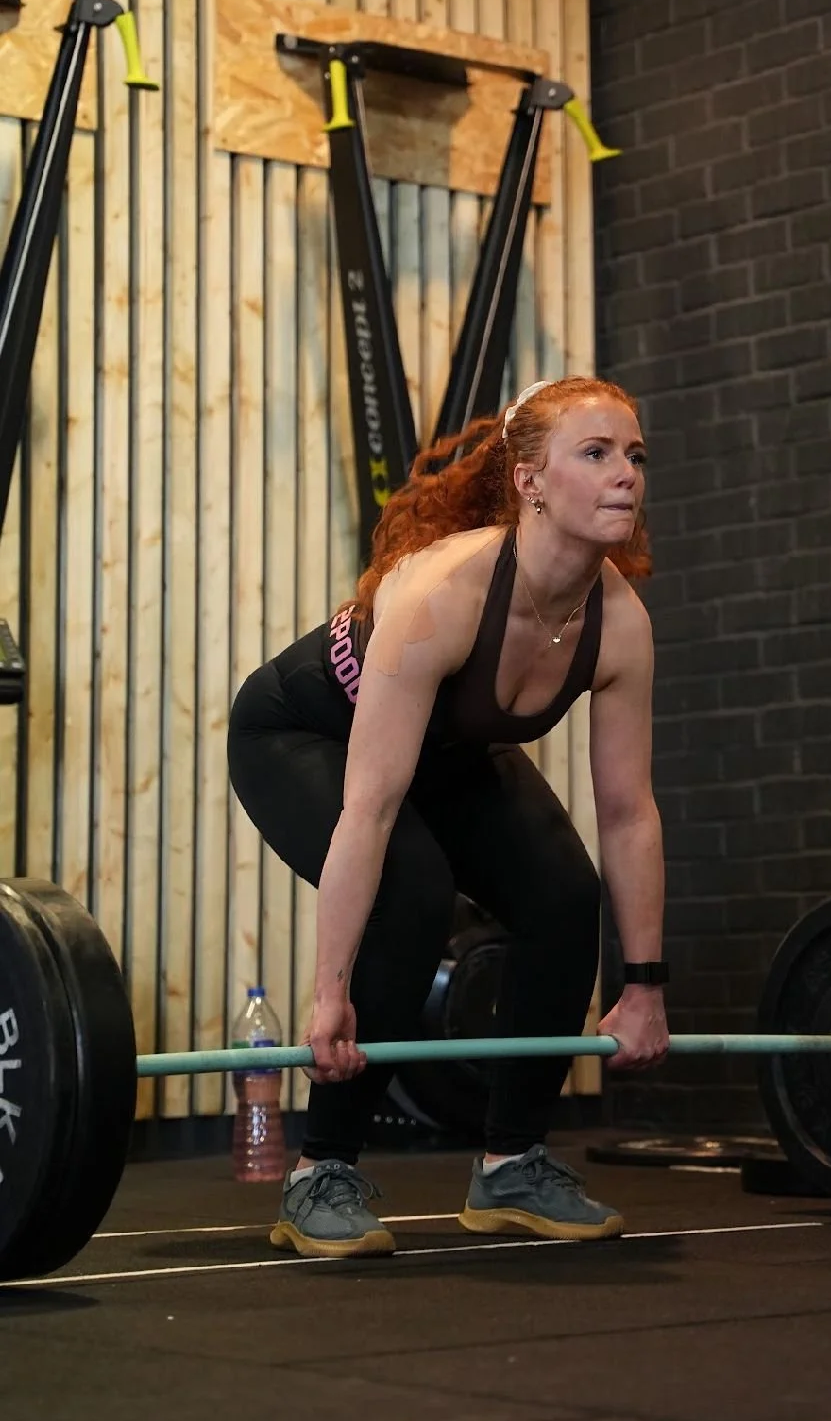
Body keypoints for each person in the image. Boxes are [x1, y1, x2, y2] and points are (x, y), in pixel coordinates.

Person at [227, 373, 669, 1258]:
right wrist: (327, 996)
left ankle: (511, 1163)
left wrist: (644, 986)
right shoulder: (442, 593)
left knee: (560, 893)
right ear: (529, 482)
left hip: (448, 755)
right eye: (595, 453)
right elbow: (371, 805)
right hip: (305, 737)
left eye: (633, 454)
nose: (625, 473)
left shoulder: (617, 623)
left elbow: (627, 815)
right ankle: (323, 1172)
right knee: (411, 888)